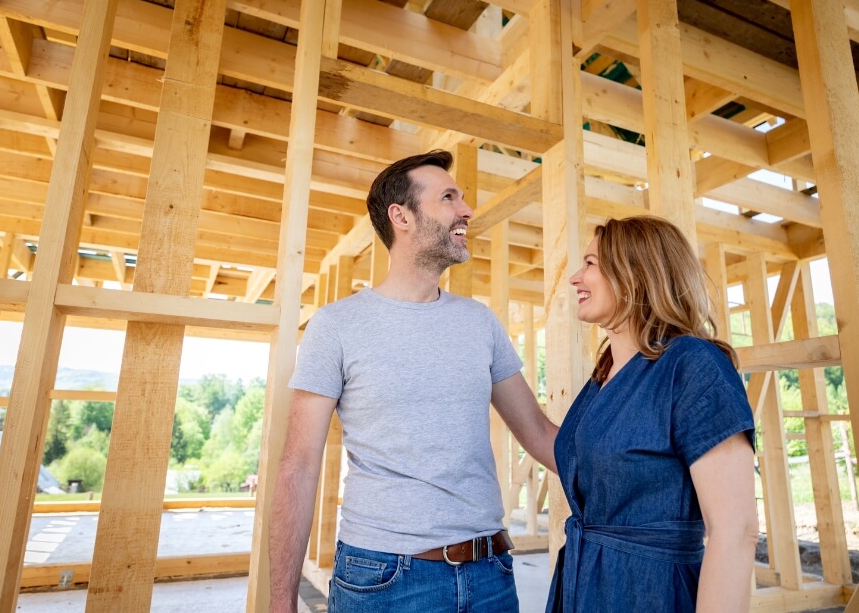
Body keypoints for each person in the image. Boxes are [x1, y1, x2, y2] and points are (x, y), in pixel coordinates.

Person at [270, 150, 558, 613]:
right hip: (386, 581)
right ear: (400, 216)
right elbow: (298, 465)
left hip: (491, 576)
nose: (466, 210)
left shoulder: (480, 323)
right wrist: (281, 600)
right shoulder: (337, 326)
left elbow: (542, 436)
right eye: (449, 198)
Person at [547, 216, 758, 612]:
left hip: (651, 593)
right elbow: (577, 458)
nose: (575, 277)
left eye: (590, 263)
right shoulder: (604, 376)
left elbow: (736, 530)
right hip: (584, 588)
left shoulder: (693, 365)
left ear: (634, 274)